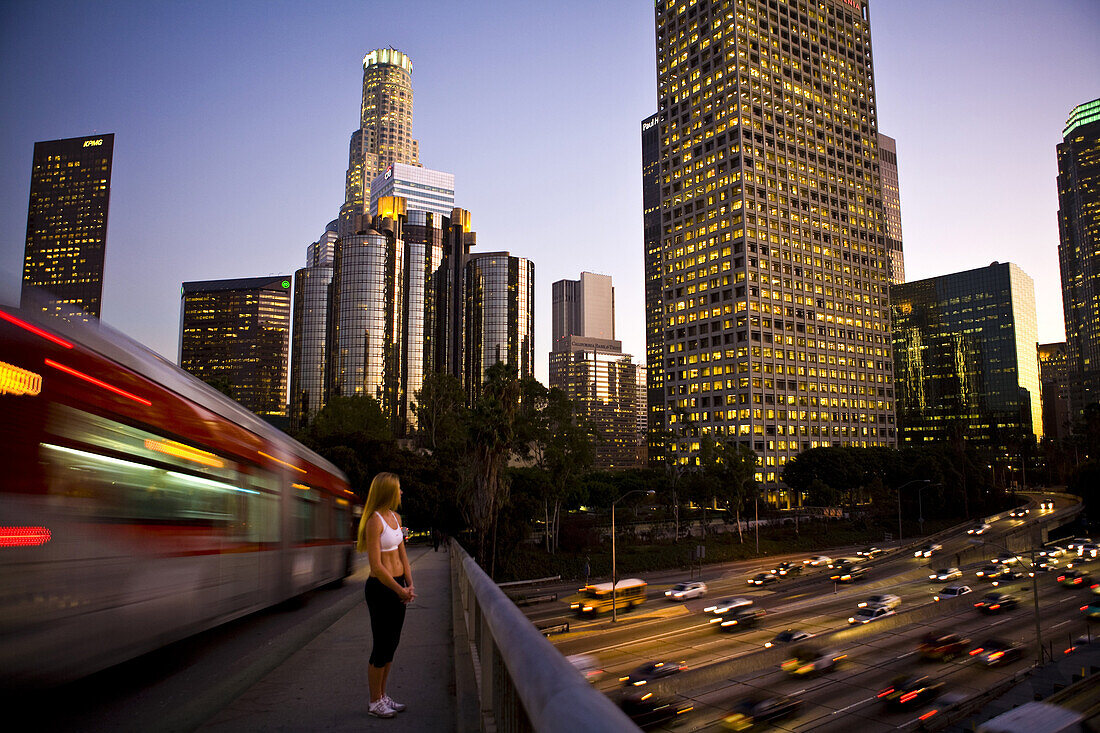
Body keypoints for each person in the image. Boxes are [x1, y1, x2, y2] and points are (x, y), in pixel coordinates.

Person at [356, 472, 415, 719]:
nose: (401, 492)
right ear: (388, 491)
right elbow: (376, 566)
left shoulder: (396, 517)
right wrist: (399, 589)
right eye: (398, 488)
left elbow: (402, 554)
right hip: (381, 590)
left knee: (392, 644)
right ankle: (373, 702)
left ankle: (383, 695)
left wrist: (409, 584)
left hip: (399, 586)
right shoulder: (374, 521)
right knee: (381, 645)